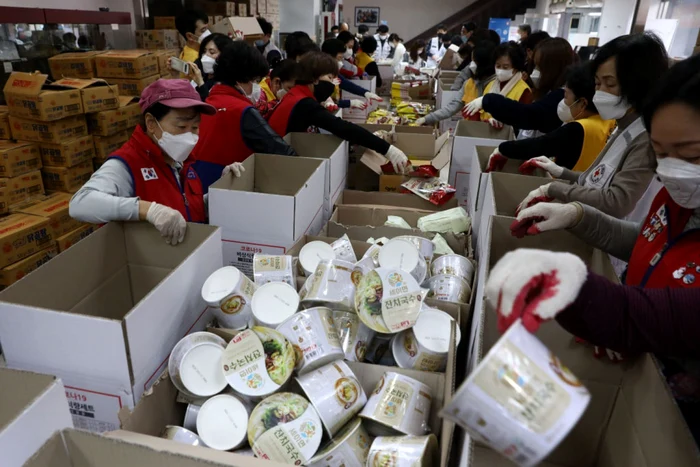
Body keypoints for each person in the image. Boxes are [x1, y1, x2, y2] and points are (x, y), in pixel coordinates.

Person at [486, 55, 700, 424]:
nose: (671, 169)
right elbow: (651, 247)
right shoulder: (680, 195)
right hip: (635, 379)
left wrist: (582, 294)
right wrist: (577, 215)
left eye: (690, 153)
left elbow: (668, 314)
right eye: (661, 155)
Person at [516, 33, 668, 222]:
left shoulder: (646, 138)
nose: (600, 92)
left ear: (638, 85)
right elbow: (596, 181)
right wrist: (561, 172)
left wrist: (554, 188)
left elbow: (617, 202)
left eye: (610, 83)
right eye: (597, 83)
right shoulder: (622, 126)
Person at [69, 79, 232, 245]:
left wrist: (222, 191)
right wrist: (148, 210)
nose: (189, 137)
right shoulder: (128, 163)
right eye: (182, 126)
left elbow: (189, 208)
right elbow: (80, 204)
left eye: (195, 128)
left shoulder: (180, 160)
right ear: (151, 124)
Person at [267, 52, 409, 173]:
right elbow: (342, 127)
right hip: (277, 166)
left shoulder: (298, 95)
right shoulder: (304, 103)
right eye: (329, 78)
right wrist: (387, 149)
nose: (332, 84)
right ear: (315, 79)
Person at [193, 42, 297, 191]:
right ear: (240, 78)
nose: (257, 87)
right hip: (227, 187)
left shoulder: (209, 101)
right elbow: (280, 150)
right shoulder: (243, 111)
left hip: (198, 185)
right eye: (254, 81)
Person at [485, 62, 615, 173]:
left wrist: (502, 149)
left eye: (566, 96)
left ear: (582, 103)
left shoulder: (579, 128)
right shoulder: (608, 120)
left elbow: (540, 145)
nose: (563, 102)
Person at [464, 37, 573, 136]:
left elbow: (527, 115)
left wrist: (490, 102)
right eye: (498, 66)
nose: (535, 72)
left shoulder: (557, 96)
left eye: (539, 67)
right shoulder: (492, 84)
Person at [416, 41, 496, 126]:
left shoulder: (497, 86)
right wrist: (426, 119)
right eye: (471, 60)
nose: (471, 64)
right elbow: (452, 107)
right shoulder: (469, 84)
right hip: (471, 131)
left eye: (474, 61)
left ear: (484, 64)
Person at [463, 41, 532, 125]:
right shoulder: (491, 85)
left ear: (516, 68)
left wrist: (503, 122)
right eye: (498, 66)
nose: (500, 70)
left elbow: (523, 121)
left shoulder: (523, 90)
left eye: (505, 67)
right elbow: (482, 113)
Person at [178, 33, 232, 101]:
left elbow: (211, 106)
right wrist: (175, 75)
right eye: (204, 51)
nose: (205, 56)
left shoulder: (226, 84)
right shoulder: (202, 76)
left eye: (212, 52)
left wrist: (200, 83)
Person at [321, 38, 372, 111]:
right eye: (339, 58)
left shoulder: (332, 70)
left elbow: (344, 83)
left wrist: (365, 92)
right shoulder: (321, 73)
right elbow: (321, 101)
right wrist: (349, 103)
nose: (340, 61)